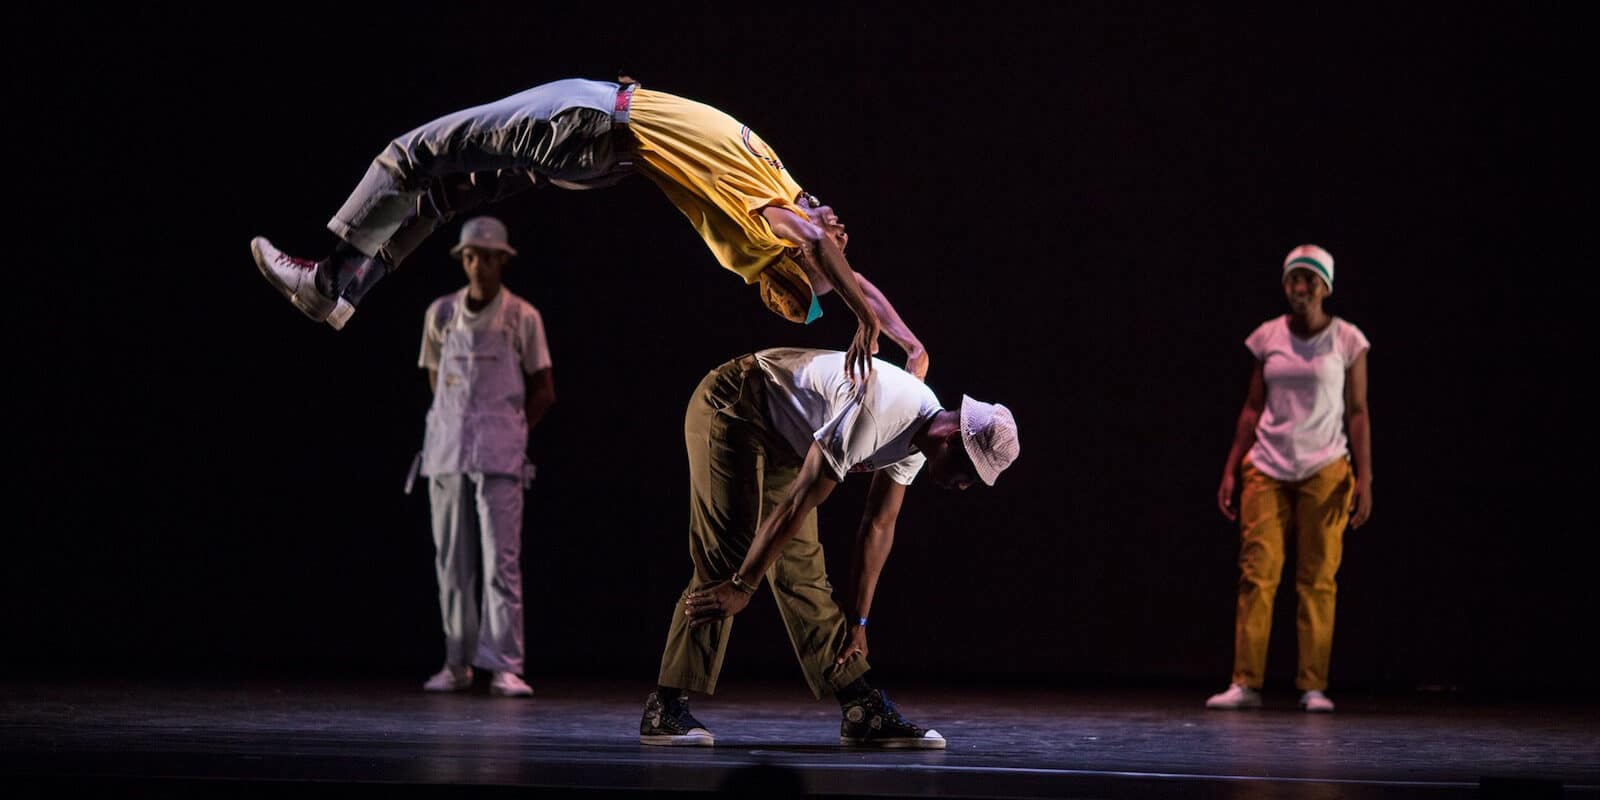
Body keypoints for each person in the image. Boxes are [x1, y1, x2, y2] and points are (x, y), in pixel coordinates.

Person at [250, 76, 927, 384]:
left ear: (799, 258)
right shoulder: (781, 190)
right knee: (445, 194)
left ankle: (326, 284)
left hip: (592, 123)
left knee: (415, 153)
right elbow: (849, 278)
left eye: (832, 246)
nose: (842, 228)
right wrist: (906, 340)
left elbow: (821, 257)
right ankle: (344, 290)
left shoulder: (768, 224)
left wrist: (862, 321)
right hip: (601, 143)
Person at [638, 348, 1020, 748]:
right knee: (729, 559)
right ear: (953, 437)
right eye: (968, 473)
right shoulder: (882, 412)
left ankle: (860, 708)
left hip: (784, 439)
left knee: (802, 572)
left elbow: (878, 524)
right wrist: (743, 585)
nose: (962, 486)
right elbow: (799, 502)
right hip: (734, 404)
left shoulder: (919, 439)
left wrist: (860, 623)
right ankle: (665, 707)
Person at [1207, 245, 1373, 713]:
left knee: (1318, 577)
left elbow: (1358, 413)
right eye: (1293, 280)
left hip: (1326, 466)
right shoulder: (1268, 336)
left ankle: (1313, 684)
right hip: (1267, 465)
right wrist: (1229, 468)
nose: (1301, 288)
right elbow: (1251, 408)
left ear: (1326, 286)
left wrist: (1365, 477)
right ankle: (1245, 682)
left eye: (1310, 280)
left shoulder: (1348, 340)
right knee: (1257, 574)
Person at [415, 217, 555, 698]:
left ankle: (505, 665)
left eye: (487, 256)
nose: (478, 265)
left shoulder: (523, 316)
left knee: (501, 562)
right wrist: (455, 422)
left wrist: (512, 429)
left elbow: (544, 389)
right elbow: (435, 378)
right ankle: (456, 662)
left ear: (502, 260)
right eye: (470, 256)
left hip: (499, 452)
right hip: (448, 450)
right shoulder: (440, 314)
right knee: (452, 561)